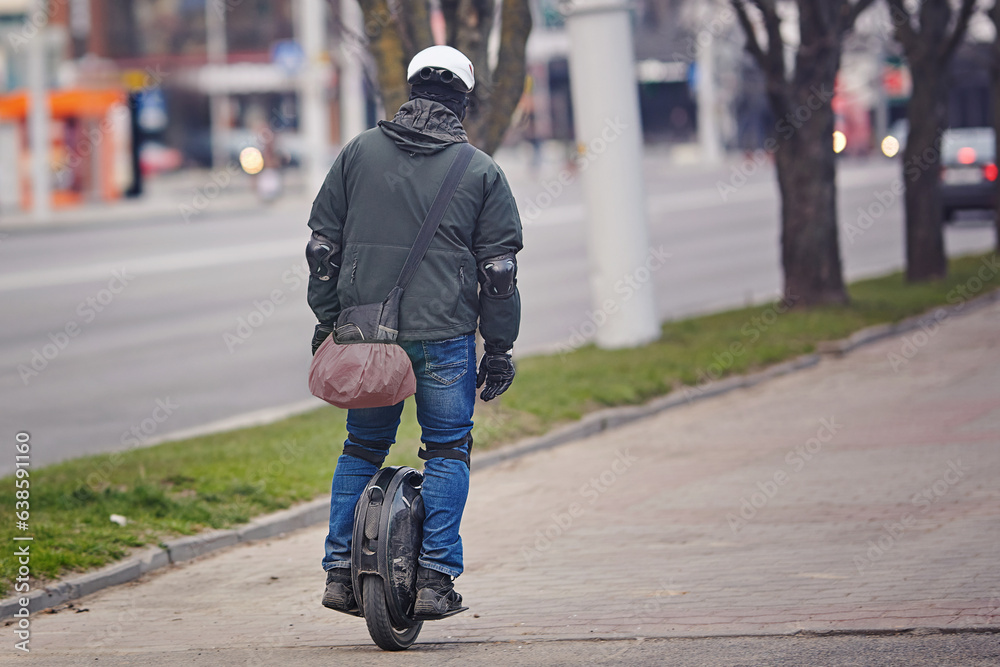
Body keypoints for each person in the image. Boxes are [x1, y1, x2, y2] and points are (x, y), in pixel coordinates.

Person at [305, 45, 522, 620]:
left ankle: (336, 572)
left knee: (362, 446)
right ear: (464, 100)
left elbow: (322, 250)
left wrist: (327, 322)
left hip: (366, 333)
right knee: (448, 448)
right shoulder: (479, 169)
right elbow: (498, 275)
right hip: (444, 334)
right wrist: (498, 348)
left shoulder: (357, 154)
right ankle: (434, 577)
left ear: (409, 90)